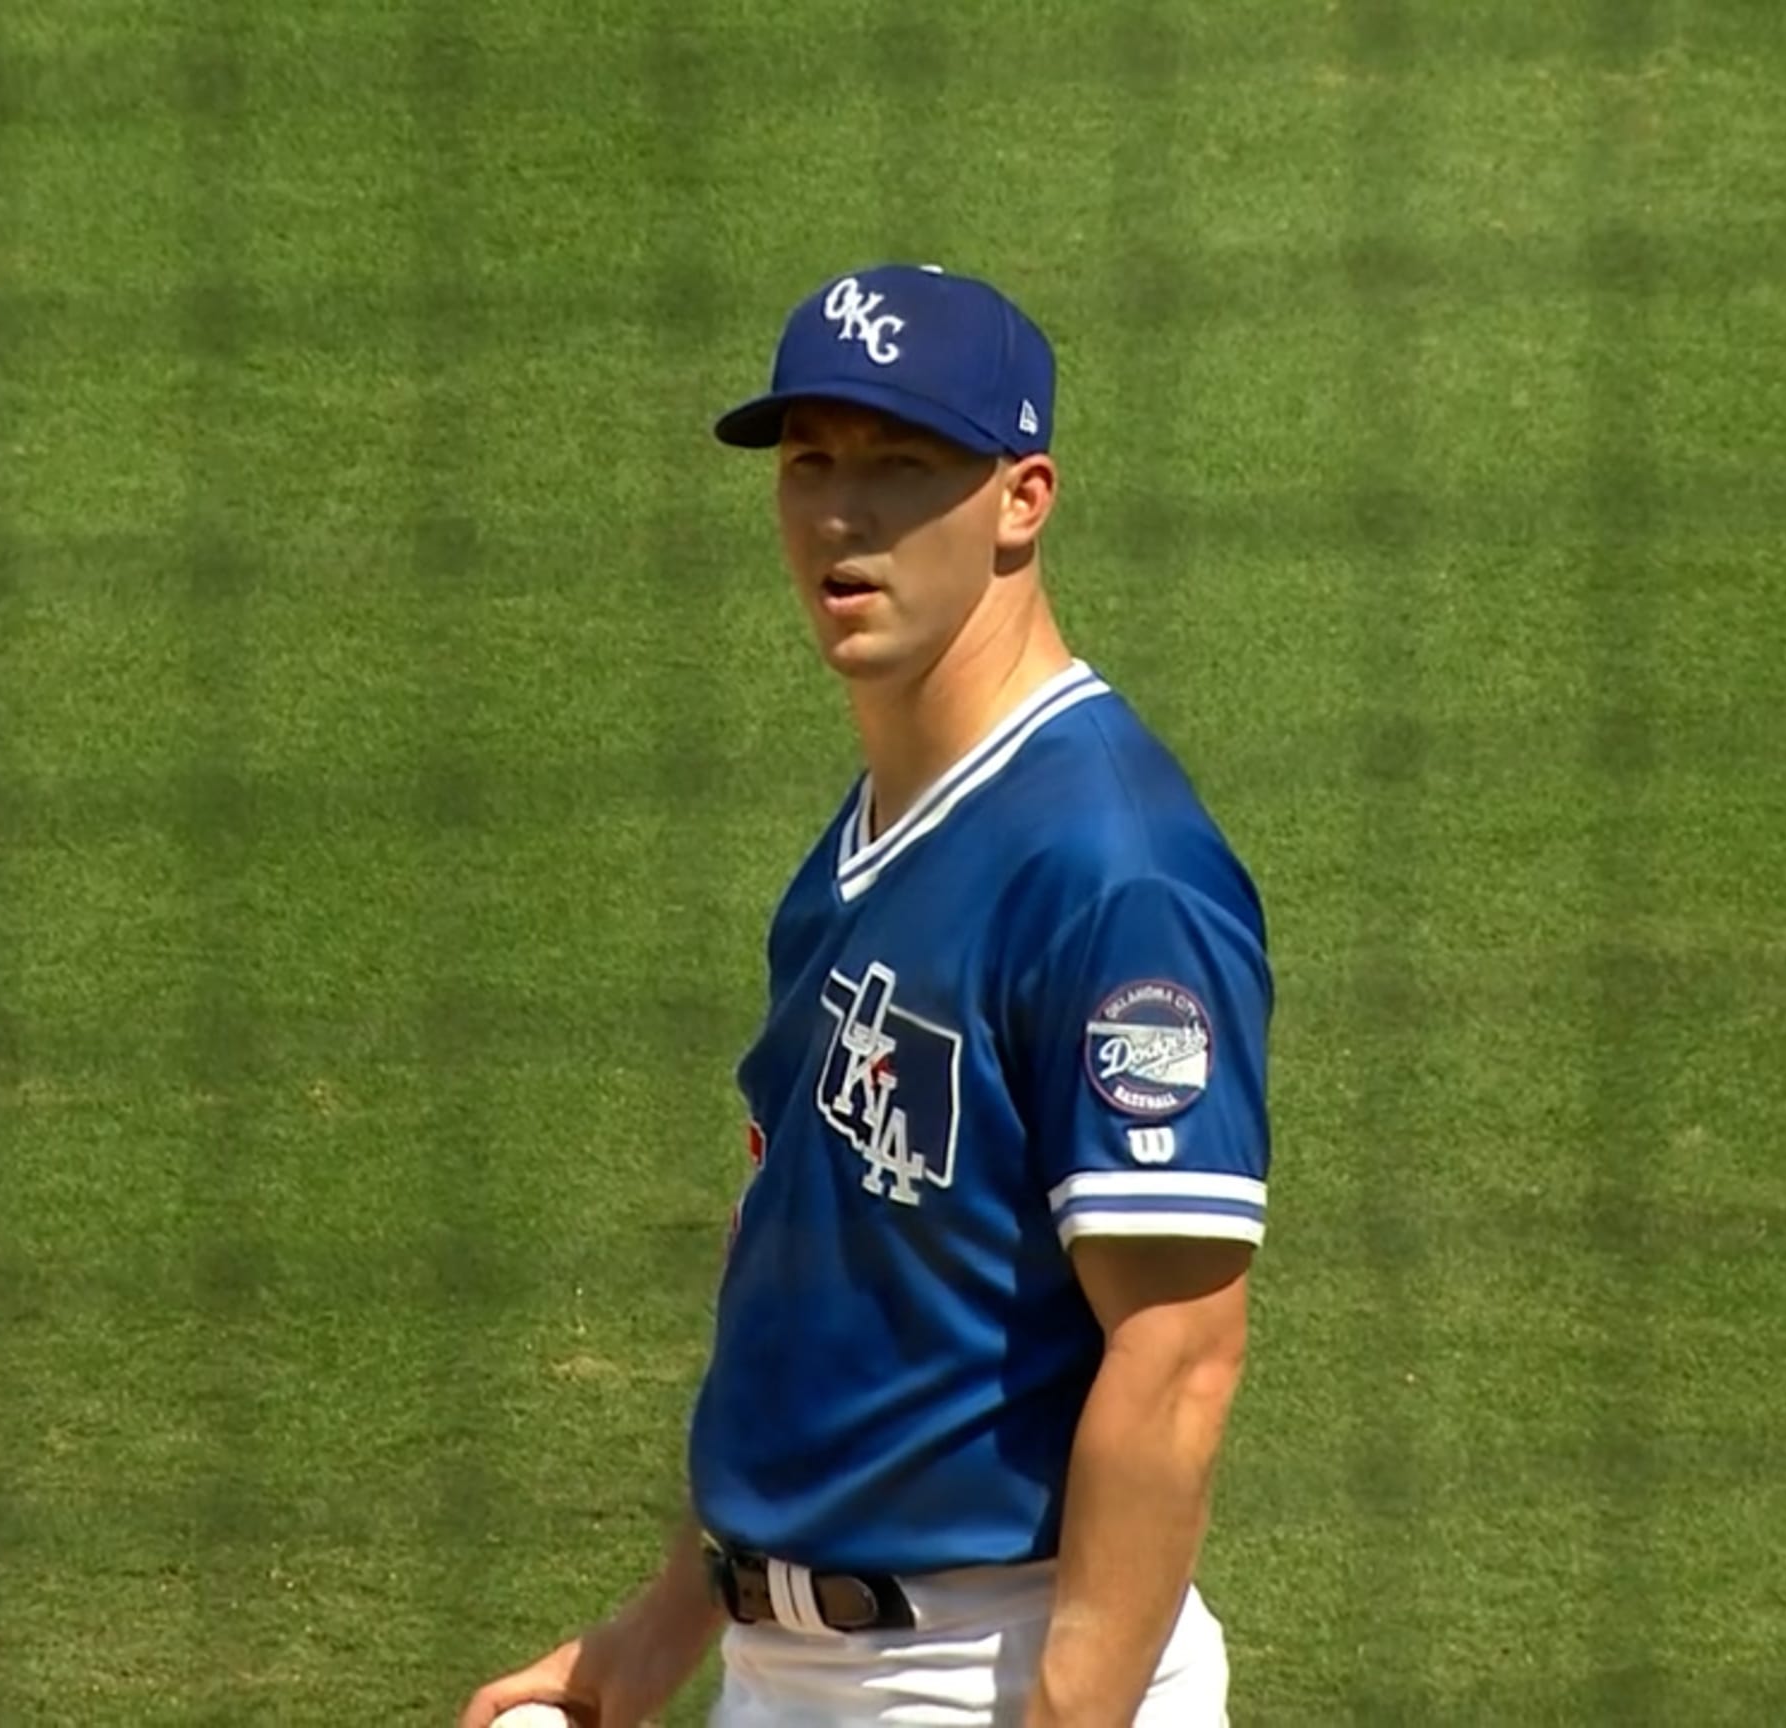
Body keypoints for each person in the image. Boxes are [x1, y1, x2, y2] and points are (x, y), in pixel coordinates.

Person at [460, 262, 1273, 1727]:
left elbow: (1179, 1351)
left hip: (991, 1671)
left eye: (903, 467)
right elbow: (799, 1263)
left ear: (1024, 497)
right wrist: (661, 1628)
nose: (843, 514)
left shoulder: (1113, 869)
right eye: (812, 463)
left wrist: (1064, 1717)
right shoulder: (866, 840)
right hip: (792, 1668)